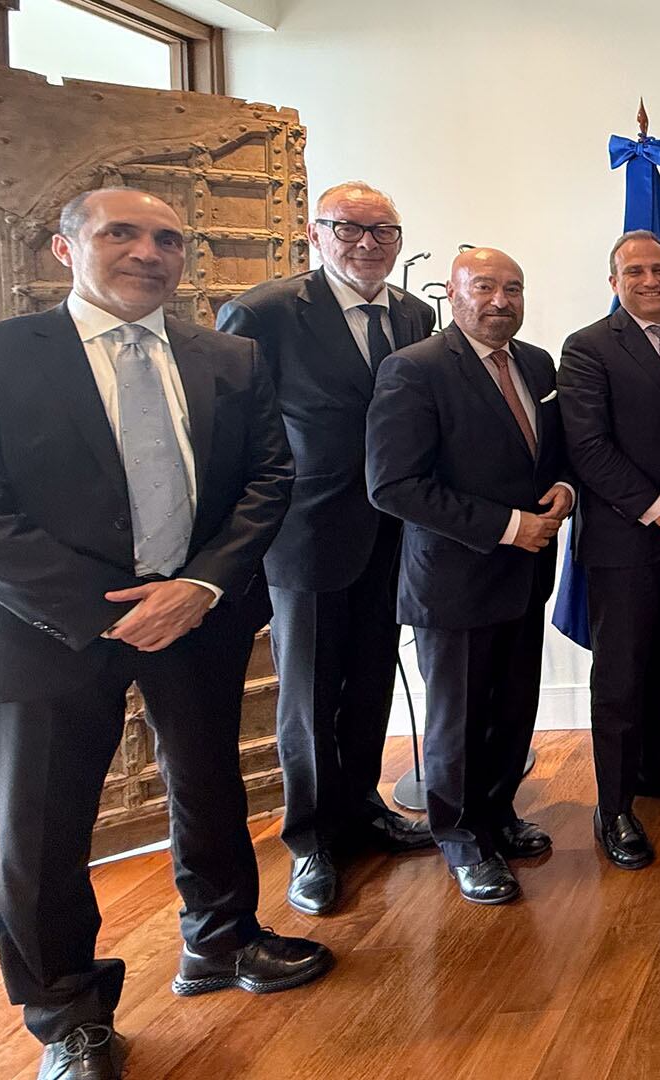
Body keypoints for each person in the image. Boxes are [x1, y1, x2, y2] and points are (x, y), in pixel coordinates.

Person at [0, 188, 329, 1080]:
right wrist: (107, 607)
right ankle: (69, 1014)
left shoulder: (229, 355)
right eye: (122, 233)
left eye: (168, 239)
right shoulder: (5, 357)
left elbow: (269, 475)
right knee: (41, 828)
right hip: (50, 631)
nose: (148, 251)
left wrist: (202, 585)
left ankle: (221, 941)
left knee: (210, 783)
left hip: (199, 615)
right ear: (67, 249)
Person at [217, 181, 438, 917]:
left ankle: (362, 809)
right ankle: (310, 839)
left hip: (394, 532)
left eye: (384, 231)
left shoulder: (415, 313)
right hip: (306, 533)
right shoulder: (266, 312)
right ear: (317, 235)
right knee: (309, 696)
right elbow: (233, 432)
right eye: (351, 229)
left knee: (372, 678)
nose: (368, 244)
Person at [367, 248, 573, 905]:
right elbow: (393, 485)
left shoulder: (536, 364)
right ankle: (461, 841)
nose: (501, 300)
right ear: (452, 294)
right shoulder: (415, 369)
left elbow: (552, 454)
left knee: (512, 710)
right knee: (456, 721)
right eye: (484, 286)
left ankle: (500, 814)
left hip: (526, 574)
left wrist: (565, 488)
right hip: (455, 581)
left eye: (513, 287)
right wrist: (510, 525)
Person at [557, 230, 660, 871]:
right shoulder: (589, 347)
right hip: (626, 539)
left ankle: (654, 769)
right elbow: (589, 447)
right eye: (635, 272)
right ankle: (614, 806)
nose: (650, 280)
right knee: (620, 676)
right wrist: (658, 509)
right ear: (614, 281)